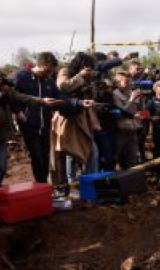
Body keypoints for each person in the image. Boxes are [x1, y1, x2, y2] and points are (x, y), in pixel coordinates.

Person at [51, 52, 99, 196]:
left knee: (91, 152)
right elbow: (62, 87)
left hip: (82, 118)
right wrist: (80, 76)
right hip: (67, 119)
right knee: (69, 153)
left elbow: (92, 97)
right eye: (87, 67)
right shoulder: (65, 72)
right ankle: (72, 185)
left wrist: (90, 83)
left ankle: (89, 187)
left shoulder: (87, 77)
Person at [14, 52, 62, 183]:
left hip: (45, 125)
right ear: (42, 65)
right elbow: (11, 95)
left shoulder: (48, 81)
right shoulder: (21, 77)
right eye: (48, 71)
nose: (49, 74)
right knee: (37, 157)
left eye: (51, 72)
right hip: (29, 124)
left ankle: (43, 188)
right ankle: (41, 187)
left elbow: (60, 97)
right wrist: (18, 111)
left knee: (45, 158)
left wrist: (75, 103)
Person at [112, 71, 141, 169]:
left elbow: (136, 110)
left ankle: (130, 181)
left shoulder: (131, 93)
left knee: (132, 158)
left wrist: (141, 100)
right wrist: (131, 99)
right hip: (121, 131)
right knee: (116, 157)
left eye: (129, 81)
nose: (128, 83)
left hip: (133, 129)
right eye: (125, 81)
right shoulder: (115, 95)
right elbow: (120, 112)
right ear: (117, 82)